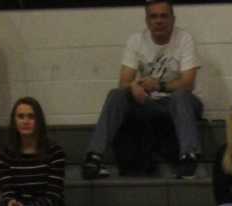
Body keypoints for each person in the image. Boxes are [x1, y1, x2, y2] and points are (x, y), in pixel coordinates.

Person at [81, 0, 204, 181]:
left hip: (181, 104)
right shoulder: (136, 40)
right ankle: (94, 157)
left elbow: (188, 84)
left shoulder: (184, 39)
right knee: (116, 94)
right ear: (147, 21)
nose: (159, 21)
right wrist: (133, 86)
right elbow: (123, 81)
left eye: (164, 16)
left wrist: (159, 85)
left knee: (180, 96)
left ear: (173, 19)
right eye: (154, 17)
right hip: (150, 103)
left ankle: (189, 157)